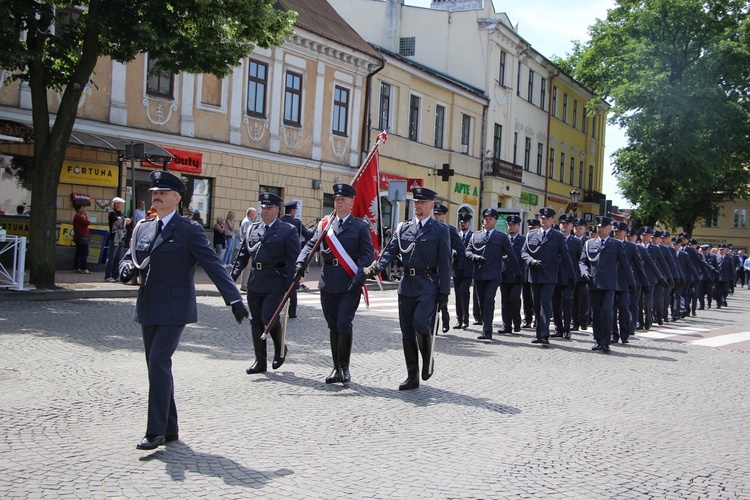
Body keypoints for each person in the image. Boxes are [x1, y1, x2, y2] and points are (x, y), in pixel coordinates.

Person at [118, 170, 249, 451]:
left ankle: (154, 432)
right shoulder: (143, 227)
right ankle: (170, 427)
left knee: (158, 362)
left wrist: (234, 299)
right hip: (148, 305)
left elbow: (213, 264)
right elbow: (130, 256)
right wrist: (125, 268)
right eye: (154, 192)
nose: (157, 196)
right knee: (157, 366)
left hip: (175, 308)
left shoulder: (188, 230)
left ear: (177, 199)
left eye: (163, 192)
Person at [364, 187, 451, 391]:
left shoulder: (440, 230)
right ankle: (412, 375)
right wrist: (376, 267)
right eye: (415, 202)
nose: (418, 205)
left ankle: (427, 356)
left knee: (421, 324)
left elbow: (446, 263)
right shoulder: (403, 228)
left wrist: (444, 292)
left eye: (422, 202)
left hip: (428, 284)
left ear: (430, 205)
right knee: (406, 333)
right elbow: (389, 252)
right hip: (407, 286)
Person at [295, 183, 373, 385]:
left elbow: (366, 256)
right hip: (328, 281)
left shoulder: (360, 227)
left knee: (343, 323)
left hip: (349, 283)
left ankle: (345, 367)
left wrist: (360, 278)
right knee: (332, 325)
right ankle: (336, 367)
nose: (338, 202)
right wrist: (301, 262)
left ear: (351, 202)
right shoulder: (325, 225)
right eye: (336, 199)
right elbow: (311, 244)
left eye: (342, 199)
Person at [232, 193, 300, 375]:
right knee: (255, 321)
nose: (265, 211)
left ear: (277, 210)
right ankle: (260, 360)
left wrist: (289, 285)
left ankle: (280, 349)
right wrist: (232, 277)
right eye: (262, 208)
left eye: (269, 208)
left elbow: (294, 259)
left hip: (276, 281)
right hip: (255, 281)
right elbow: (243, 256)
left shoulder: (287, 230)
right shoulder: (253, 229)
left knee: (268, 316)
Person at [579, 216, 636, 352]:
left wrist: (631, 283)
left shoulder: (616, 244)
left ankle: (606, 340)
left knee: (606, 311)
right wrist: (584, 273)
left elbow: (625, 265)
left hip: (610, 284)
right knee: (597, 313)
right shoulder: (589, 244)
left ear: (609, 229)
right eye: (599, 227)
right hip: (594, 283)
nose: (600, 229)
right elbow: (582, 262)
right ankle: (598, 340)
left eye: (603, 227)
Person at [521, 208, 574, 346]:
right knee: (536, 304)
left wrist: (571, 276)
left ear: (552, 220)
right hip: (534, 274)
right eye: (542, 218)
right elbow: (524, 252)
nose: (544, 220)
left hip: (550, 275)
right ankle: (539, 334)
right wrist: (530, 261)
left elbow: (566, 256)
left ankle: (544, 334)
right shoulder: (531, 234)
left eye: (547, 218)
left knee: (545, 303)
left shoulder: (557, 236)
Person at [465, 208, 521, 340]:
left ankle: (487, 330)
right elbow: (467, 251)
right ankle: (486, 325)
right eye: (486, 218)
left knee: (489, 300)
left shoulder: (501, 237)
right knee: (481, 302)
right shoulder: (476, 236)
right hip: (479, 274)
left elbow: (512, 255)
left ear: (495, 221)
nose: (487, 221)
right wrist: (475, 257)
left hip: (494, 275)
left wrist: (517, 273)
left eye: (490, 219)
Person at [432, 203, 466, 333]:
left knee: (442, 295)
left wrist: (459, 267)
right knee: (431, 297)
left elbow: (461, 249)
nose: (437, 216)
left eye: (439, 214)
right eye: (435, 214)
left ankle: (445, 321)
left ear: (445, 215)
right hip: (429, 267)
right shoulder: (428, 227)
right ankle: (433, 325)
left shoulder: (449, 229)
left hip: (443, 268)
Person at [281, 201, 315, 318]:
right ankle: (292, 312)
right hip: (293, 257)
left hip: (279, 257)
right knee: (292, 285)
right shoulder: (296, 222)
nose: (296, 212)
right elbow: (309, 236)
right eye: (295, 210)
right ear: (292, 211)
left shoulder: (279, 221)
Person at [551, 214, 582, 339]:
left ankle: (567, 328)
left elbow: (580, 259)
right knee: (555, 303)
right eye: (562, 223)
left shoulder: (576, 242)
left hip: (569, 276)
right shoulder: (554, 239)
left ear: (571, 226)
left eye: (567, 224)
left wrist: (577, 275)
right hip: (554, 275)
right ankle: (558, 328)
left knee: (567, 302)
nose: (564, 226)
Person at [498, 214, 525, 334]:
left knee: (514, 298)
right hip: (504, 274)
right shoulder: (503, 239)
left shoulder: (523, 240)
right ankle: (506, 325)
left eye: (514, 225)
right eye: (509, 225)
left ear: (518, 226)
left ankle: (517, 322)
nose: (511, 227)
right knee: (504, 301)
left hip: (517, 275)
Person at [453, 213, 474, 329]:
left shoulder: (473, 236)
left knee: (463, 292)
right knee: (457, 294)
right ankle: (459, 319)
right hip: (457, 269)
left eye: (465, 222)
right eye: (461, 222)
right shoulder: (456, 235)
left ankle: (466, 318)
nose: (462, 224)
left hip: (468, 269)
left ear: (469, 223)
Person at [104, 197, 130, 282]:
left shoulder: (121, 214)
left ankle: (116, 275)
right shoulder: (112, 213)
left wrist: (124, 221)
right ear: (116, 204)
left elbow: (129, 220)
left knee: (118, 258)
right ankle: (108, 276)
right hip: (114, 238)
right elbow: (118, 223)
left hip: (121, 238)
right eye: (121, 204)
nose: (122, 206)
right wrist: (124, 221)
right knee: (111, 258)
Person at [236, 207, 258, 291]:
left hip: (247, 246)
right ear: (251, 214)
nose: (256, 215)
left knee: (247, 267)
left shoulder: (248, 221)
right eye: (255, 213)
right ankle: (244, 284)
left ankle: (245, 284)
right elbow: (248, 235)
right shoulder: (247, 222)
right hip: (247, 247)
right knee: (247, 267)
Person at [72, 204, 91, 274]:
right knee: (85, 253)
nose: (84, 210)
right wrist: (86, 215)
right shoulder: (80, 217)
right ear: (78, 209)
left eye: (84, 208)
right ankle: (83, 268)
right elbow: (88, 222)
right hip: (82, 237)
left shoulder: (76, 216)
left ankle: (76, 267)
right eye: (82, 208)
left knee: (78, 253)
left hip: (78, 237)